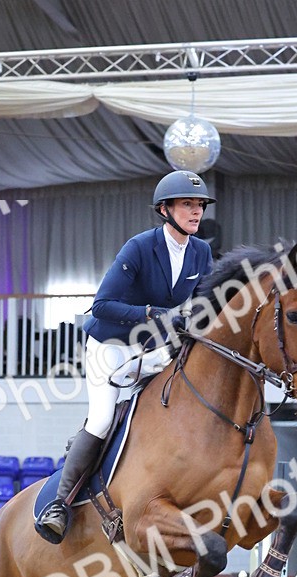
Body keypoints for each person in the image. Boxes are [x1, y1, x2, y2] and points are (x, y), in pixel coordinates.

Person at [35, 169, 215, 543]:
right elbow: (101, 305)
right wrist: (151, 313)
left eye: (199, 205)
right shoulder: (138, 247)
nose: (196, 212)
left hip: (154, 349)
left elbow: (207, 302)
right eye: (187, 205)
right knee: (102, 419)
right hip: (111, 347)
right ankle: (60, 504)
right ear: (165, 209)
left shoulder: (201, 251)